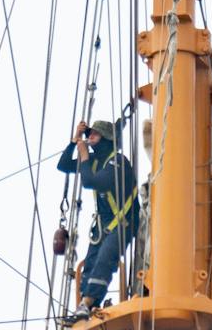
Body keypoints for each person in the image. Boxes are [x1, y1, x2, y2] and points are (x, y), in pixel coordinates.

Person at [58, 118, 139, 317]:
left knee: (105, 260)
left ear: (107, 139)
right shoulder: (93, 162)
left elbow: (91, 182)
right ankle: (89, 306)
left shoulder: (118, 162)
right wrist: (73, 141)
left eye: (95, 134)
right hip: (103, 223)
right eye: (89, 134)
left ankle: (87, 303)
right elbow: (63, 165)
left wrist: (84, 156)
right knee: (91, 265)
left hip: (124, 220)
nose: (90, 137)